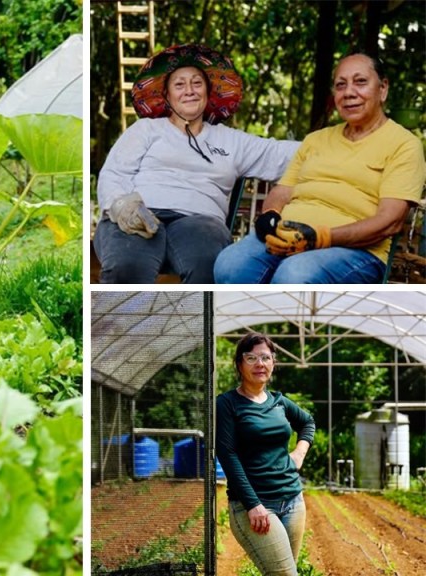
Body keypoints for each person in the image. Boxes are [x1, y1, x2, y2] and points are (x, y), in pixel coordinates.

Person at [95, 44, 300, 283]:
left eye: (197, 83)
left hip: (200, 221)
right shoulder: (146, 129)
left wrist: (333, 143)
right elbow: (113, 173)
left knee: (207, 262)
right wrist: (121, 206)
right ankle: (123, 321)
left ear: (208, 92)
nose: (189, 91)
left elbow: (280, 153)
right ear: (167, 96)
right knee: (126, 266)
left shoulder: (230, 140)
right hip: (139, 214)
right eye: (179, 85)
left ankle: (191, 321)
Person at [214, 53, 426, 283]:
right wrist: (270, 216)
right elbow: (282, 191)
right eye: (340, 85)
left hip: (356, 250)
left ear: (383, 88)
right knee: (229, 264)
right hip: (286, 235)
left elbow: (390, 222)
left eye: (360, 82)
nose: (349, 93)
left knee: (294, 274)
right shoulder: (316, 139)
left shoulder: (404, 145)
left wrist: (321, 238)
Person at [216, 332, 315, 576]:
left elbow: (307, 422)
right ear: (239, 364)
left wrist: (299, 453)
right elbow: (227, 455)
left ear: (273, 363)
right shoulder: (227, 404)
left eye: (265, 357)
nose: (259, 364)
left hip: (293, 501)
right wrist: (253, 505)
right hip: (256, 506)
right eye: (251, 358)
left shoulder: (279, 401)